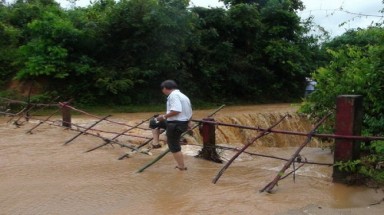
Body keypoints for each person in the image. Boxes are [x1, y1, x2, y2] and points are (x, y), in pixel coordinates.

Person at [149, 80, 192, 171]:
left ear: (165, 88)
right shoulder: (183, 96)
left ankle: (181, 167)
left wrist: (163, 116)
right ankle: (155, 143)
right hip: (180, 123)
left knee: (174, 146)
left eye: (162, 89)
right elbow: (190, 112)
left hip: (175, 124)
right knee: (154, 122)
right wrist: (189, 123)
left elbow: (176, 110)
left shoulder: (173, 96)